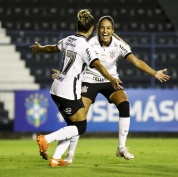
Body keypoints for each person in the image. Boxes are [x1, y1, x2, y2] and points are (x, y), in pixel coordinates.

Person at [53, 15, 170, 163]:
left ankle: (121, 147)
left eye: (108, 28)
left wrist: (154, 73)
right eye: (102, 27)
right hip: (89, 80)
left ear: (112, 30)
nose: (105, 31)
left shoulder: (119, 45)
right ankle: (70, 154)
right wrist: (64, 73)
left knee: (124, 104)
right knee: (80, 116)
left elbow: (136, 61)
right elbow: (76, 59)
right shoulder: (90, 43)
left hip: (111, 81)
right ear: (97, 30)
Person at [29, 9, 122, 166]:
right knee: (80, 126)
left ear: (77, 26)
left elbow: (52, 48)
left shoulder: (68, 40)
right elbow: (98, 64)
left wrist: (40, 49)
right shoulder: (85, 46)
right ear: (91, 28)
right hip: (68, 91)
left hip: (56, 88)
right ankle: (46, 139)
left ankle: (56, 158)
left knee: (72, 127)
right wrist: (112, 78)